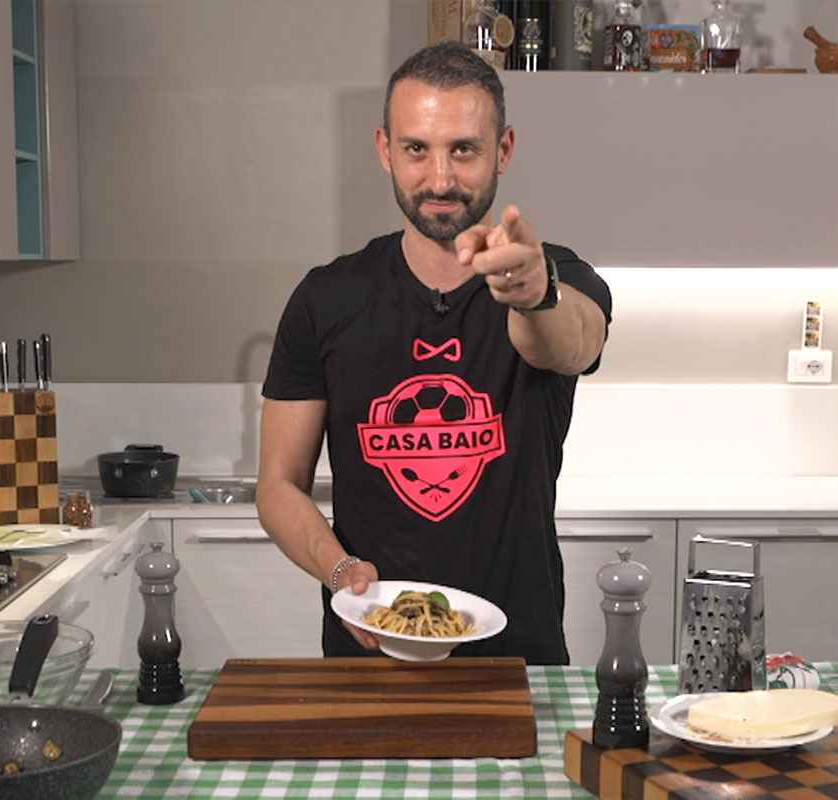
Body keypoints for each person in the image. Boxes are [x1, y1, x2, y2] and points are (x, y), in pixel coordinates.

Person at [256, 41, 612, 665]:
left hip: (519, 664)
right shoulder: (326, 299)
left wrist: (533, 294)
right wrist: (341, 573)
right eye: (417, 148)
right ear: (384, 149)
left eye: (464, 150)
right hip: (367, 659)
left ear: (502, 150)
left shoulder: (557, 277)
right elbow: (279, 486)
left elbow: (570, 344)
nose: (440, 179)